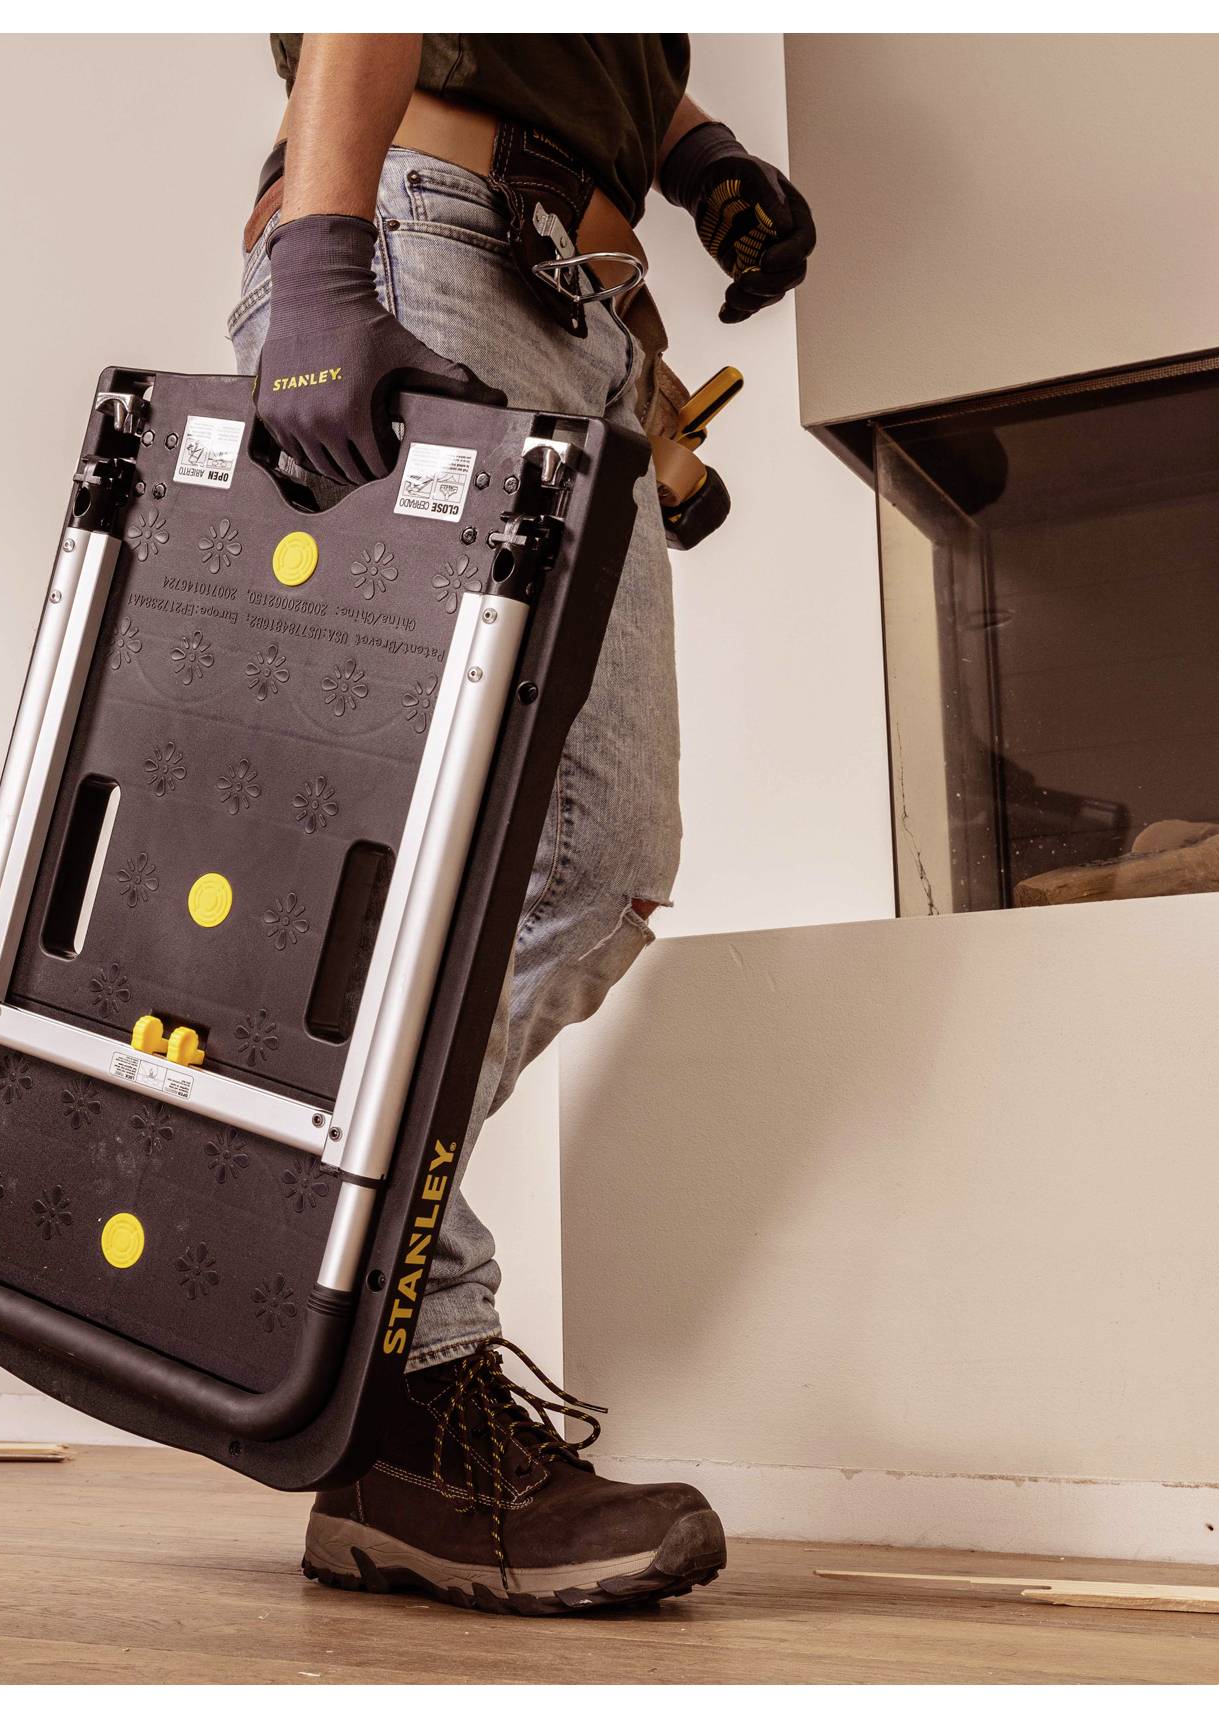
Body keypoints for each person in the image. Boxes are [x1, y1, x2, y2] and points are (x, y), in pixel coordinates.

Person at [229, 33, 815, 1615]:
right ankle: (405, 1394)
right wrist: (321, 265)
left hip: (575, 306)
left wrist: (698, 165)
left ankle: (302, 1225)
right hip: (429, 251)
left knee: (599, 866)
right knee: (443, 865)